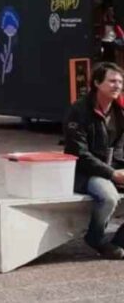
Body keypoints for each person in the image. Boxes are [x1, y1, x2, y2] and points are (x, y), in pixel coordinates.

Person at [63, 62, 124, 259]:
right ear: (97, 83)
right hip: (84, 172)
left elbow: (121, 147)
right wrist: (111, 173)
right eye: (112, 81)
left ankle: (118, 242)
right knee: (108, 197)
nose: (117, 86)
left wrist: (119, 169)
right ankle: (95, 238)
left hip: (112, 168)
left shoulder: (120, 111)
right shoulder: (79, 110)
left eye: (120, 82)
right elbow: (78, 152)